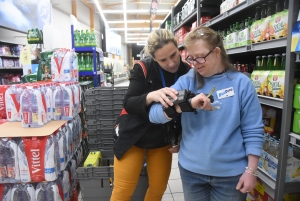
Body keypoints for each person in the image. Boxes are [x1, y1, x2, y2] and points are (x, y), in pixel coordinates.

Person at [149, 26, 264, 201]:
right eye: (191, 58)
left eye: (200, 57)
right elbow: (155, 114)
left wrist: (251, 170)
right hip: (191, 172)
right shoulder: (186, 81)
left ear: (216, 52)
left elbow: (253, 130)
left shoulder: (242, 84)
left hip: (230, 176)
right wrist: (185, 105)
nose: (195, 63)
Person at [110, 29, 191, 201]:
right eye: (163, 60)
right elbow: (128, 102)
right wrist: (150, 96)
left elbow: (186, 110)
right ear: (154, 58)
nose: (171, 63)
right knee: (123, 192)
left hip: (161, 138)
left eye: (174, 55)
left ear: (178, 48)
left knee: (157, 190)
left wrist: (179, 137)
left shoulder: (186, 71)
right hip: (133, 136)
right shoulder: (143, 68)